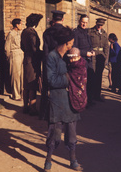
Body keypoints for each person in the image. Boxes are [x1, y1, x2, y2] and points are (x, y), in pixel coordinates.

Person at [44, 27, 83, 172]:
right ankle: (48, 161)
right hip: (56, 100)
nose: (72, 46)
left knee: (72, 132)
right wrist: (69, 78)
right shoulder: (51, 57)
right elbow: (51, 80)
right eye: (71, 43)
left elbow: (78, 70)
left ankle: (73, 160)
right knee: (54, 133)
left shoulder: (68, 56)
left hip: (70, 100)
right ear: (65, 43)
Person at [40, 10, 66, 120]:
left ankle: (44, 114)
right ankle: (61, 113)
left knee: (46, 87)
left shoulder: (47, 32)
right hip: (62, 62)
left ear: (53, 19)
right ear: (63, 19)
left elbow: (45, 50)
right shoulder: (66, 32)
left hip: (49, 61)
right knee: (61, 86)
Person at [21, 13, 43, 115]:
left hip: (26, 59)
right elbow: (35, 48)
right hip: (33, 61)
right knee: (33, 85)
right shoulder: (32, 33)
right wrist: (42, 54)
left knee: (26, 85)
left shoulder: (24, 31)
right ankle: (33, 109)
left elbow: (22, 46)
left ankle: (25, 107)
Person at [73, 14, 95, 106]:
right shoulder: (75, 32)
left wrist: (92, 51)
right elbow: (75, 48)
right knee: (82, 82)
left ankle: (89, 100)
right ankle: (82, 102)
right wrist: (85, 53)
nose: (84, 24)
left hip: (89, 60)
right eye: (83, 22)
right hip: (81, 60)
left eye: (86, 23)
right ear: (79, 21)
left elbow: (90, 45)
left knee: (90, 80)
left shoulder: (87, 32)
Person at [89, 18, 109, 102]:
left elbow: (106, 47)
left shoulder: (104, 33)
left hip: (101, 57)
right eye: (98, 25)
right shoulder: (90, 32)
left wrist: (106, 58)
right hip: (93, 56)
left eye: (101, 26)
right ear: (96, 23)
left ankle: (97, 95)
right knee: (92, 76)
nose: (99, 27)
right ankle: (91, 96)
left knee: (99, 77)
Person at [5, 18, 23, 101]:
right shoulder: (11, 34)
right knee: (15, 75)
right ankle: (16, 95)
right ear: (16, 25)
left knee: (21, 75)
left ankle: (21, 93)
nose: (21, 26)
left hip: (20, 54)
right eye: (20, 24)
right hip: (14, 55)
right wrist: (9, 57)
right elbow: (7, 47)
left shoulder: (18, 33)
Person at [67, 47, 87, 113]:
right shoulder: (70, 66)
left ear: (79, 57)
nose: (73, 61)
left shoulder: (81, 66)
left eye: (75, 58)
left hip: (79, 86)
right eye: (71, 59)